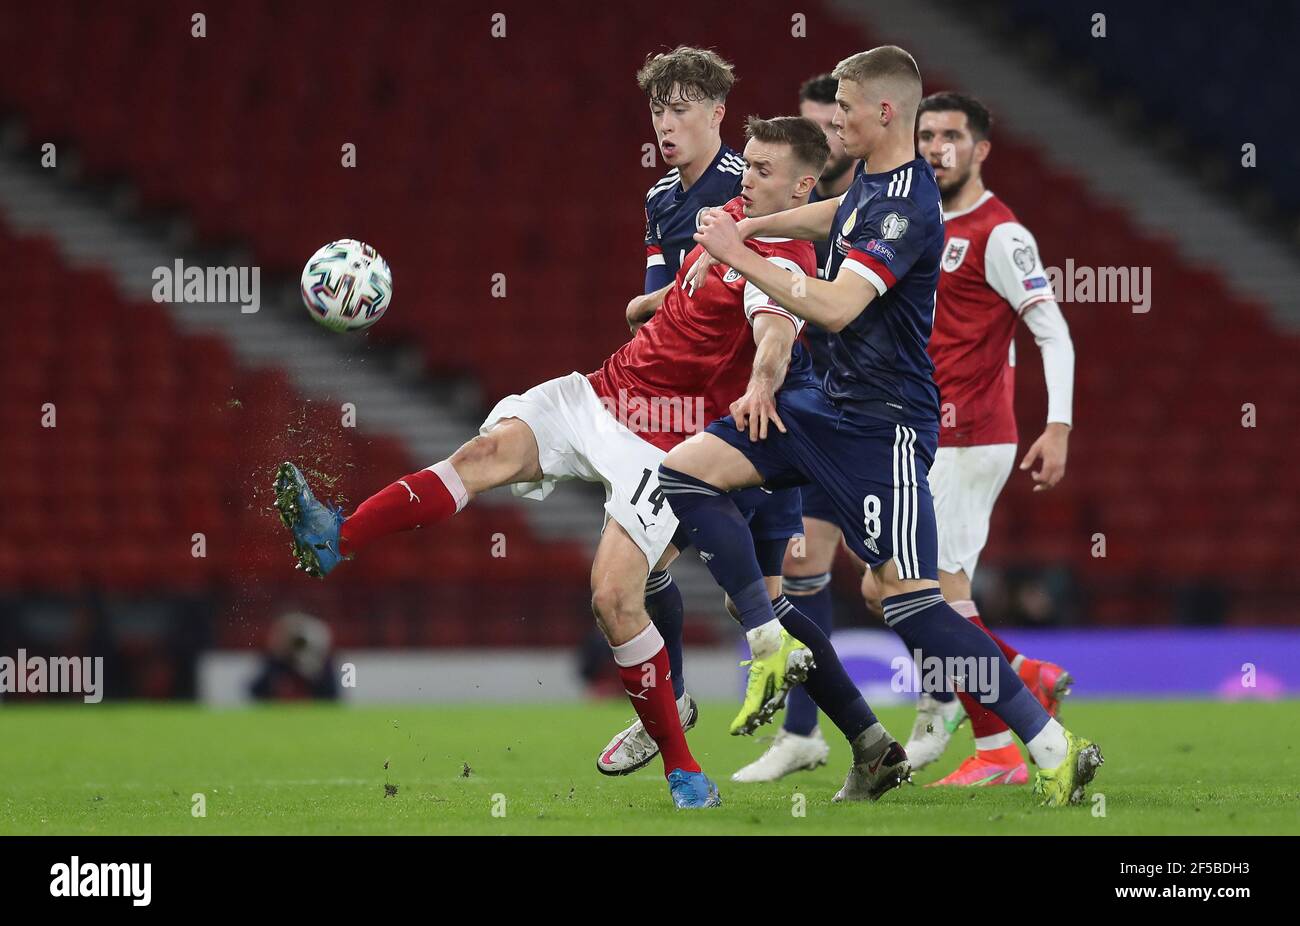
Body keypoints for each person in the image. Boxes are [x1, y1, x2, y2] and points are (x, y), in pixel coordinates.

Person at [272, 115, 828, 810]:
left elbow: (772, 333)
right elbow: (694, 296)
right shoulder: (729, 220)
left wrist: (760, 381)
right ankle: (336, 537)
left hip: (664, 444)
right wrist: (655, 303)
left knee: (612, 598)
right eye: (747, 164)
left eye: (765, 172)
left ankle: (684, 769)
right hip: (599, 394)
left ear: (805, 185)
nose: (747, 178)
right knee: (483, 453)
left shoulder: (783, 264)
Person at [665, 46, 1102, 806]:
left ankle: (1052, 744)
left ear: (884, 111)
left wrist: (742, 251)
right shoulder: (872, 184)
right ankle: (770, 642)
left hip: (883, 430)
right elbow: (837, 214)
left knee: (911, 603)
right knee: (683, 472)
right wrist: (757, 226)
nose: (835, 119)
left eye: (845, 108)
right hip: (821, 407)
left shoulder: (908, 204)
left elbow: (833, 306)